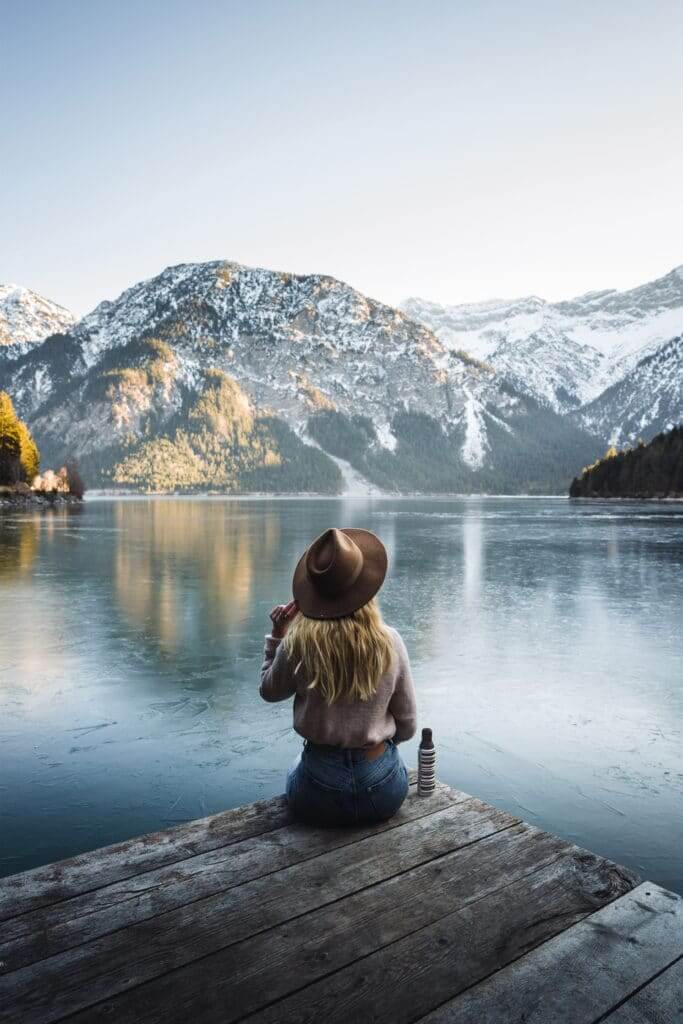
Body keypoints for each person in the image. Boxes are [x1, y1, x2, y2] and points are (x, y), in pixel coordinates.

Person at [259, 527, 417, 826]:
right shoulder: (390, 642)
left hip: (318, 793)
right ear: (366, 588)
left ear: (314, 594)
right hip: (383, 791)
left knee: (297, 767)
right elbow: (407, 726)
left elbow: (269, 691)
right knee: (394, 764)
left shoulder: (299, 645)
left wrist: (279, 636)